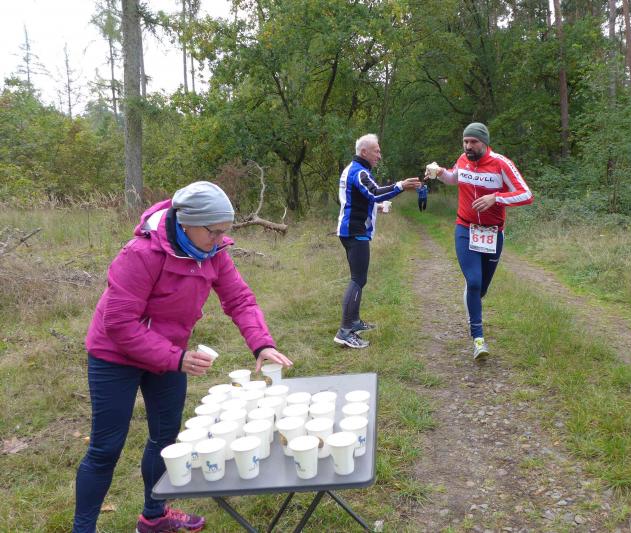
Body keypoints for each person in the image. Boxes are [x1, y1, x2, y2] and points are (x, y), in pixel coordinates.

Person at [73, 181, 293, 533]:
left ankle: (154, 516)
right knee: (106, 448)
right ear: (187, 222)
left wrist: (261, 344)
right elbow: (119, 323)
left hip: (169, 354)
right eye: (213, 231)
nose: (219, 240)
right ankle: (83, 529)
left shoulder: (214, 252)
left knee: (165, 439)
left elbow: (239, 299)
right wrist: (176, 358)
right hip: (114, 356)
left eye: (224, 231)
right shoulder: (140, 254)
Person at [429, 122, 533, 359]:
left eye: (473, 142)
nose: (468, 146)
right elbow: (453, 178)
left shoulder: (501, 164)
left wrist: (496, 198)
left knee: (481, 288)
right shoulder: (463, 160)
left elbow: (526, 195)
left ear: (484, 142)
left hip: (493, 233)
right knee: (474, 282)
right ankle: (478, 339)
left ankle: (472, 300)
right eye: (465, 141)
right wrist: (439, 173)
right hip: (465, 228)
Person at [335, 133, 421, 348]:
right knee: (358, 279)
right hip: (355, 232)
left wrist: (377, 207)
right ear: (364, 152)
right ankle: (345, 332)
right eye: (377, 151)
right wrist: (400, 186)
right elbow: (374, 193)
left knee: (359, 278)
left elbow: (357, 198)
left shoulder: (352, 169)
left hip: (350, 230)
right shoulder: (360, 172)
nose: (379, 156)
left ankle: (354, 322)